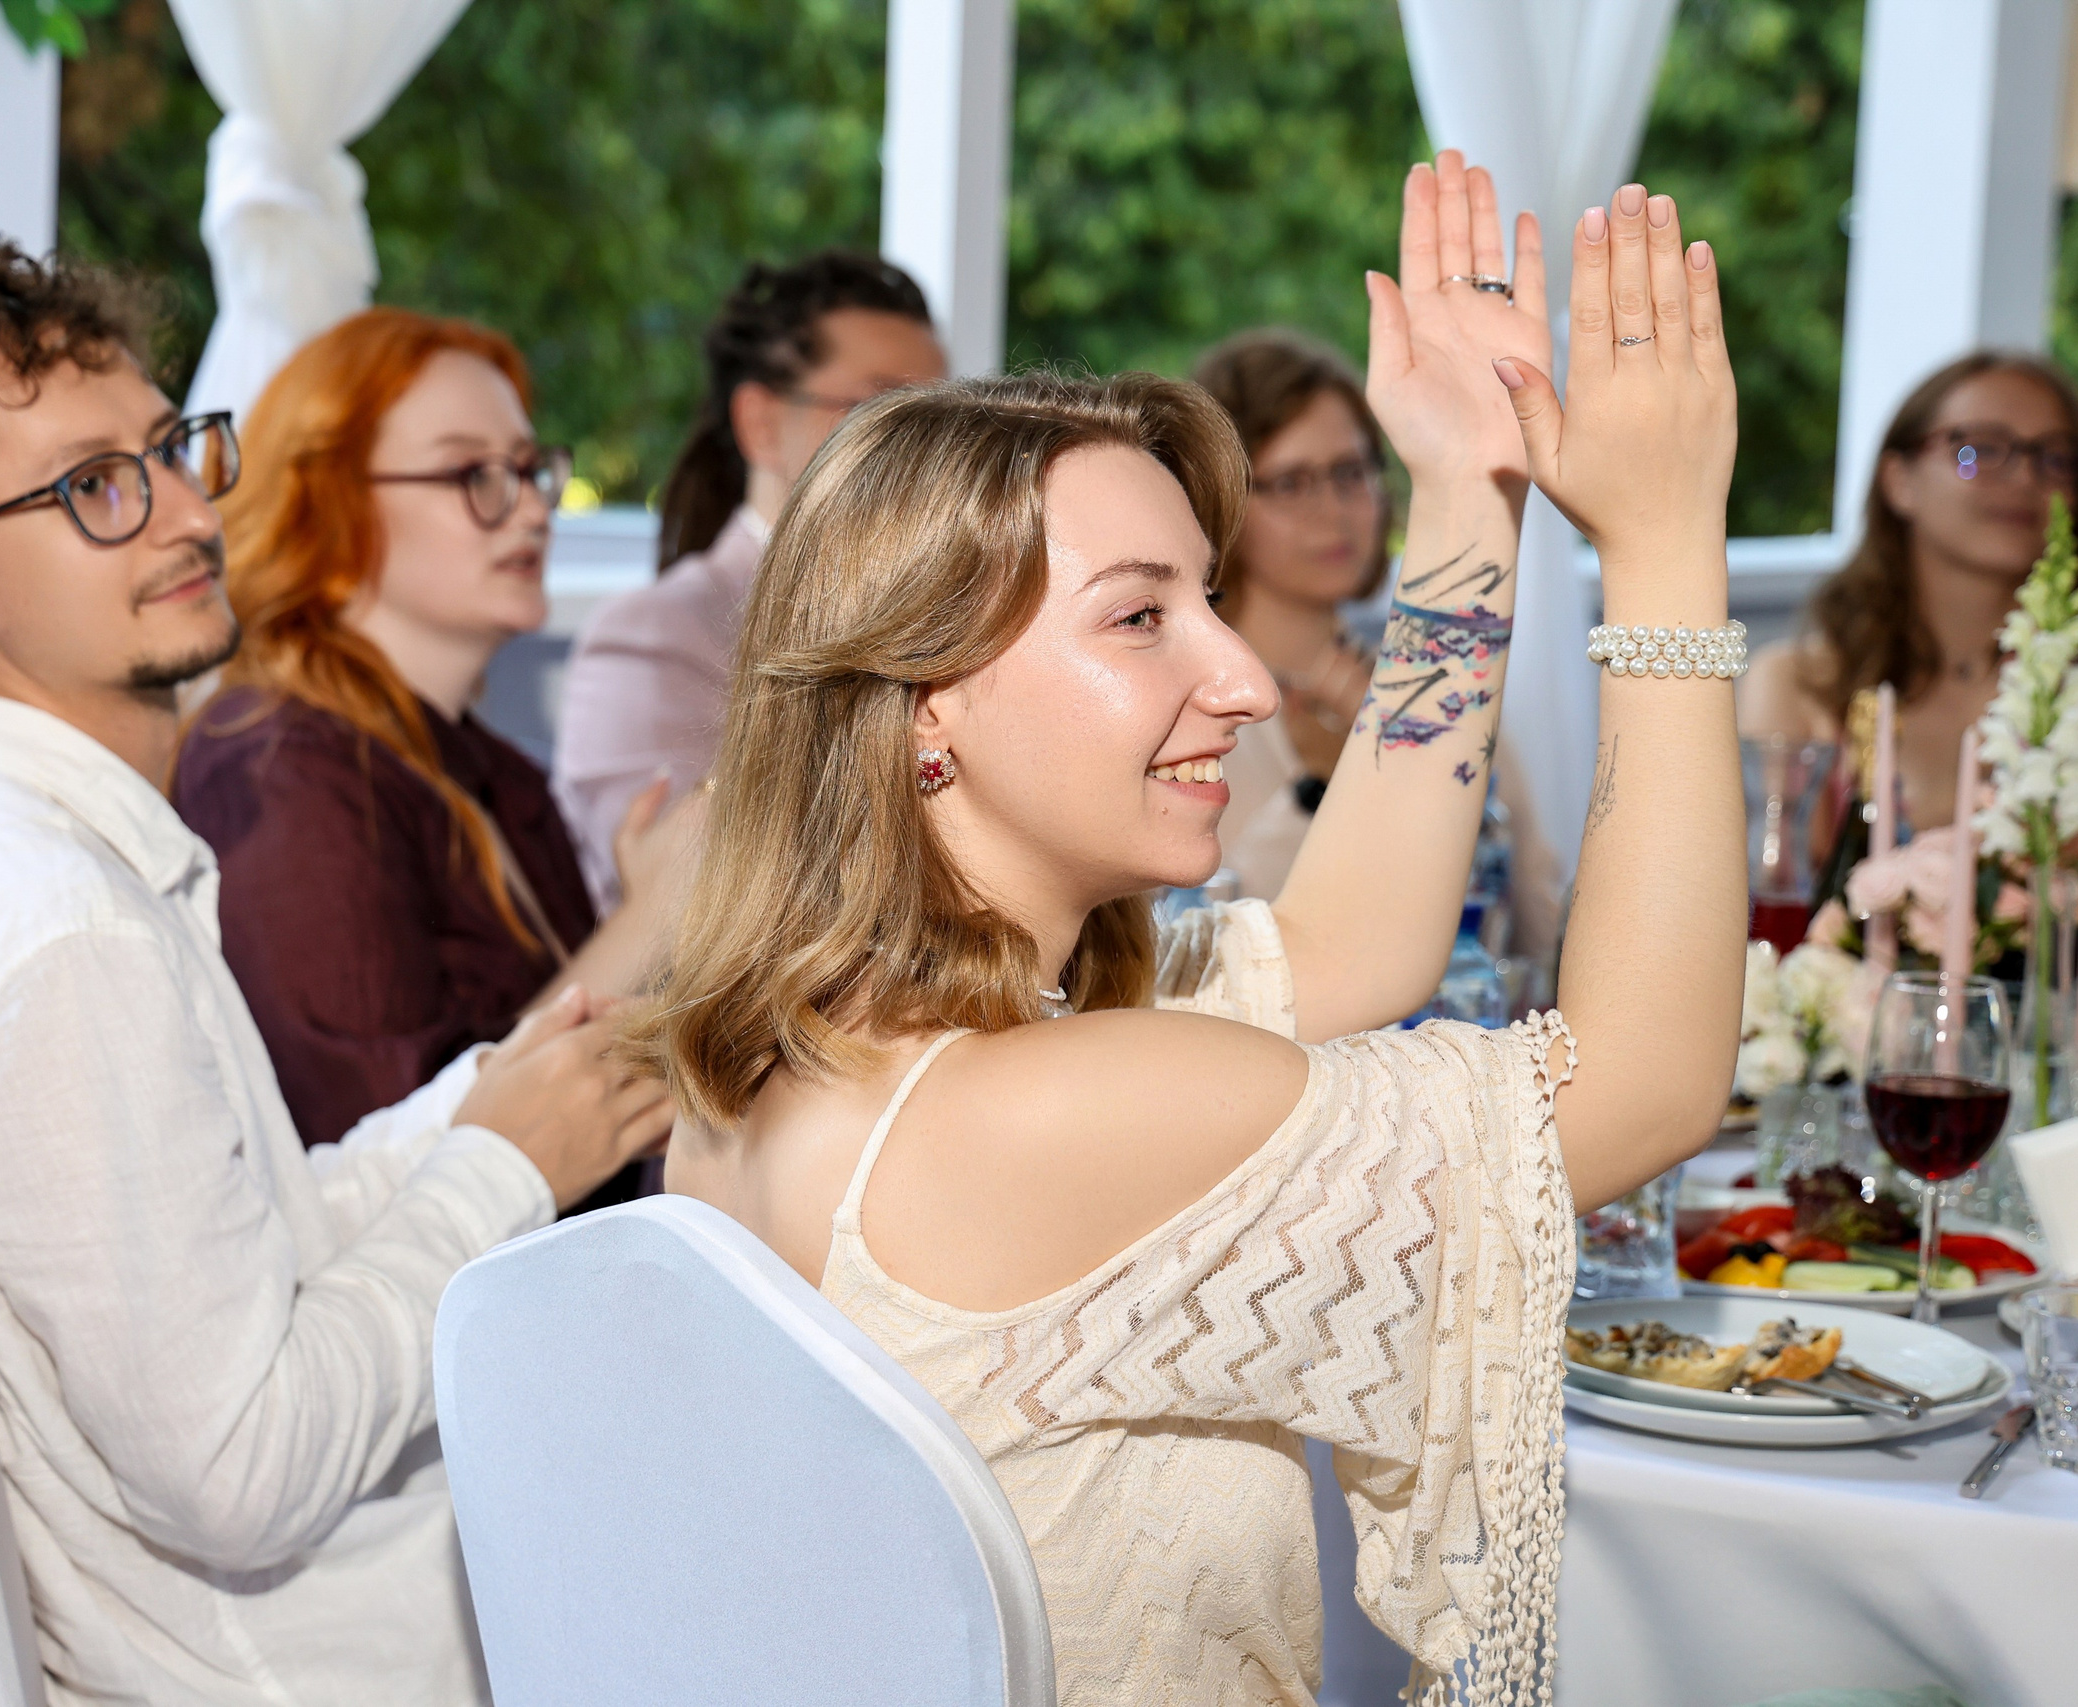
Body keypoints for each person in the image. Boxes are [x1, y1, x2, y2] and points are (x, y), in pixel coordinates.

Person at [641, 162, 1747, 1704]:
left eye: (1212, 599)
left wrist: (1464, 490)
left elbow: (1353, 947)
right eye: (1141, 615)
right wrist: (1669, 544)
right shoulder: (1032, 1110)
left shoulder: (806, 1053)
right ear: (926, 698)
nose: (1243, 678)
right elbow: (1647, 1081)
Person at [0, 242, 665, 1705]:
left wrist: (484, 1104)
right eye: (92, 487)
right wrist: (507, 1170)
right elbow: (245, 1470)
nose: (191, 513)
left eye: (171, 449)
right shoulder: (48, 933)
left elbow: (243, 1237)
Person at [174, 308, 690, 1179]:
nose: (532, 507)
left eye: (530, 469)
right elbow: (384, 1153)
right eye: (472, 472)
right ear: (329, 502)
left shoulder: (491, 769)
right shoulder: (276, 765)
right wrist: (654, 917)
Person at [553, 250, 946, 902]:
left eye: (939, 420)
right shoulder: (653, 637)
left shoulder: (957, 614)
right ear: (760, 423)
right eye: (879, 411)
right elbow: (692, 901)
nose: (923, 452)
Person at [1192, 326, 1563, 959]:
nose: (1334, 511)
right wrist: (1323, 782)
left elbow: (1532, 930)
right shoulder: (1188, 710)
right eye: (1292, 482)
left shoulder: (1445, 681)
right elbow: (1201, 948)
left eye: (1350, 472)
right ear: (1219, 500)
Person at [1742, 351, 2078, 832]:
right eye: (1979, 450)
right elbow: (1773, 867)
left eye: (2056, 459)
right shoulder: (1800, 685)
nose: (2025, 478)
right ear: (1898, 480)